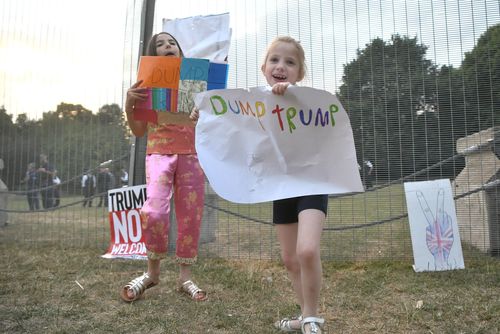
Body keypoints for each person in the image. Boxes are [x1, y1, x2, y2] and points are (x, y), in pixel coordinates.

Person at [191, 36, 326, 334]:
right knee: (290, 259)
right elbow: (230, 126)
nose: (281, 66)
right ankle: (303, 317)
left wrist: (291, 95)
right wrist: (205, 115)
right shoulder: (254, 106)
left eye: (290, 62)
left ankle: (313, 318)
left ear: (300, 73)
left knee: (306, 250)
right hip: (281, 187)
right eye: (275, 60)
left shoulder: (306, 99)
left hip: (311, 183)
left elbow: (324, 122)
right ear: (264, 67)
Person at [120, 32, 207, 303]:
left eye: (172, 43)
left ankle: (185, 278)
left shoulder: (198, 86)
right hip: (158, 153)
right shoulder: (145, 85)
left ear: (180, 52)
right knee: (154, 211)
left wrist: (203, 112)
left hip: (192, 155)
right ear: (153, 54)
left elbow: (212, 126)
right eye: (161, 44)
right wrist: (129, 105)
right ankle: (152, 273)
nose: (168, 46)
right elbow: (137, 131)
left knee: (189, 214)